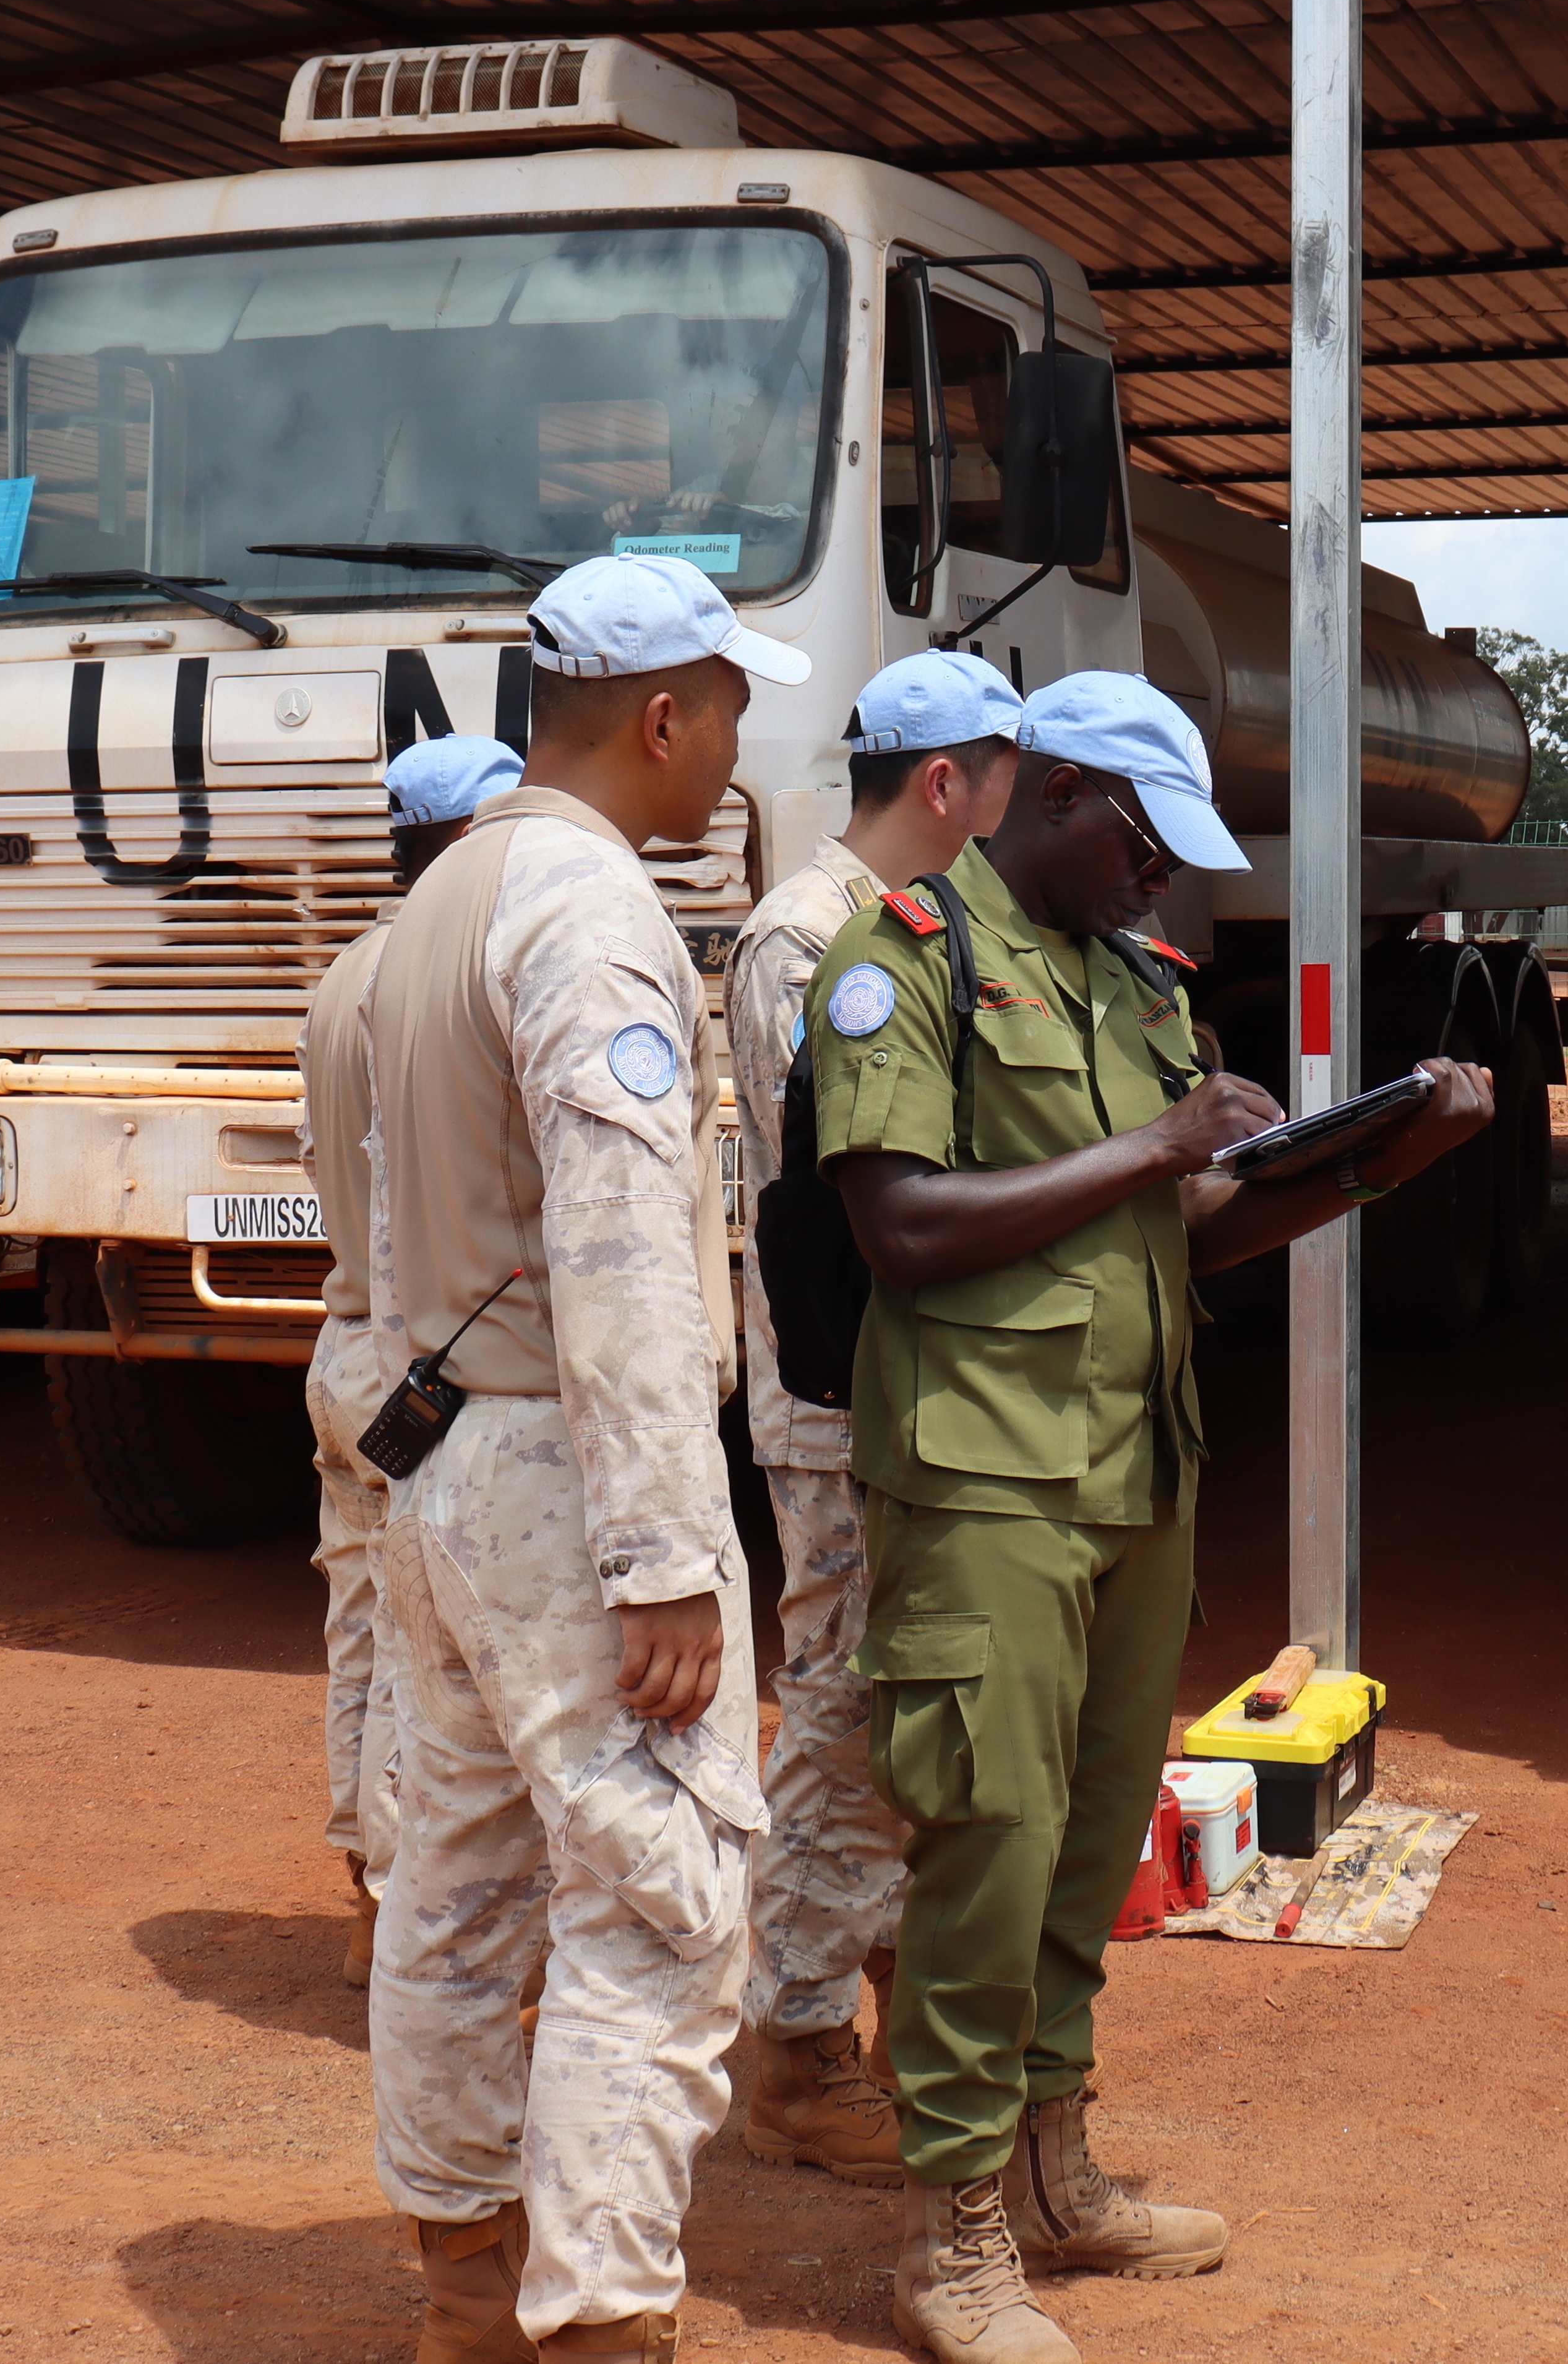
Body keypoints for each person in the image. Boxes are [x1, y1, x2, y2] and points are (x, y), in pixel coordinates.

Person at [805, 671, 1497, 2364]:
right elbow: (899, 1225)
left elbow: (1188, 1223)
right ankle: (951, 2232)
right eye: (1143, 846)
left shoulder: (1137, 982)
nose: (1163, 885)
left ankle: (1055, 2166)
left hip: (1132, 1473)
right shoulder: (903, 961)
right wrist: (1163, 1146)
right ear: (1052, 796)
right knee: (983, 1841)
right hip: (980, 1480)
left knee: (1086, 1841)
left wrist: (1380, 1161)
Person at [359, 554, 815, 2360]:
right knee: (662, 1907)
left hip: (444, 1467)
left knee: (459, 1884)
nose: (739, 739)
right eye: (728, 704)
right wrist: (666, 1558)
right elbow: (623, 1251)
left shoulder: (444, 896)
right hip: (569, 1478)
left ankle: (466, 2285)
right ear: (660, 714)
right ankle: (602, 2325)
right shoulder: (591, 909)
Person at [728, 651, 1026, 2185]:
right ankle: (789, 2039)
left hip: (903, 1384)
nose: (1008, 803)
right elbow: (855, 1180)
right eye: (1001, 774)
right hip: (837, 1391)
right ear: (942, 782)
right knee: (842, 1709)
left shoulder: (910, 920)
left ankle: (893, 1994)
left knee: (901, 1702)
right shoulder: (808, 939)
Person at [301, 732, 529, 1988]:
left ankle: (365, 1883)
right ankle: (408, 1912)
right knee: (428, 1647)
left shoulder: (346, 976)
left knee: (363, 1624)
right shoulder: (448, 984)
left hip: (345, 1353)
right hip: (419, 1364)